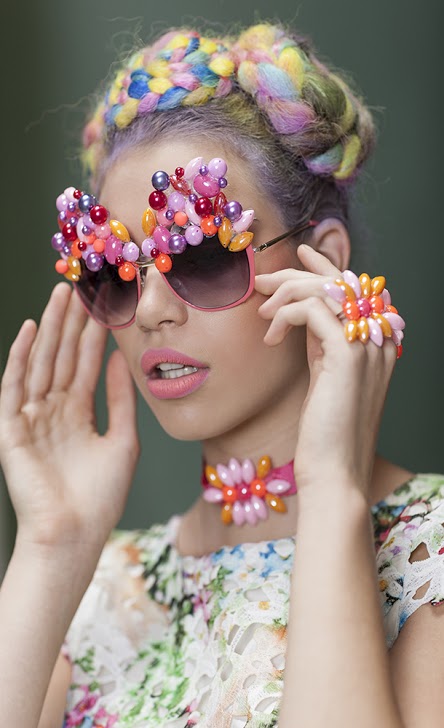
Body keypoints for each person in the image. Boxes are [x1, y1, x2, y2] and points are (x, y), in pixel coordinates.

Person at [1, 20, 443, 728]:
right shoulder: (103, 590)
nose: (150, 311)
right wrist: (51, 544)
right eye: (114, 271)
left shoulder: (427, 556)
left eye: (201, 256)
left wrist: (333, 492)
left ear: (325, 260)